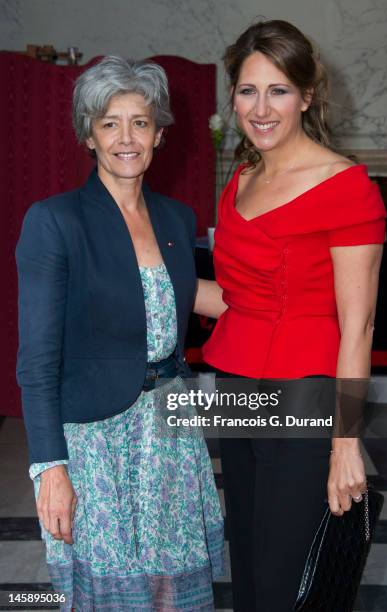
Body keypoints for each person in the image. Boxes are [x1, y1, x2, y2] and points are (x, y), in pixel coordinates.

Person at [16, 56, 223, 611]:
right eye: (110, 123)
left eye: (140, 122)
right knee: (110, 593)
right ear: (89, 134)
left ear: (159, 133)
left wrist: (310, 298)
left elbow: (189, 296)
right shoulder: (55, 220)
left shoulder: (176, 218)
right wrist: (49, 468)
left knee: (168, 593)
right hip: (95, 441)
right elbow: (36, 363)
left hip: (169, 431)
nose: (126, 138)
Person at [193, 20, 386, 612]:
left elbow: (358, 324)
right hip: (234, 392)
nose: (261, 107)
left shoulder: (346, 186)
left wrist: (346, 443)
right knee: (247, 567)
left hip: (302, 399)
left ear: (306, 96)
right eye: (248, 90)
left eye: (278, 90)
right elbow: (237, 301)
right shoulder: (242, 180)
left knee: (285, 583)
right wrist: (141, 280)